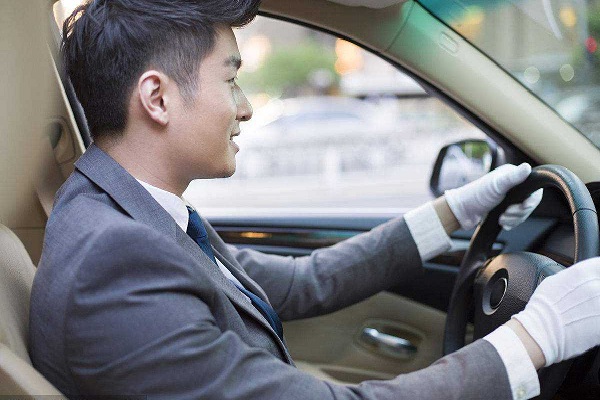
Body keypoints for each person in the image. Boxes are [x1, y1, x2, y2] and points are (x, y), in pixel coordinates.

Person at [29, 1, 600, 399]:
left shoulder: (130, 213)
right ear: (156, 97)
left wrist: (453, 211)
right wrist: (538, 335)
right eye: (230, 80)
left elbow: (306, 280)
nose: (246, 107)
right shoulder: (115, 261)